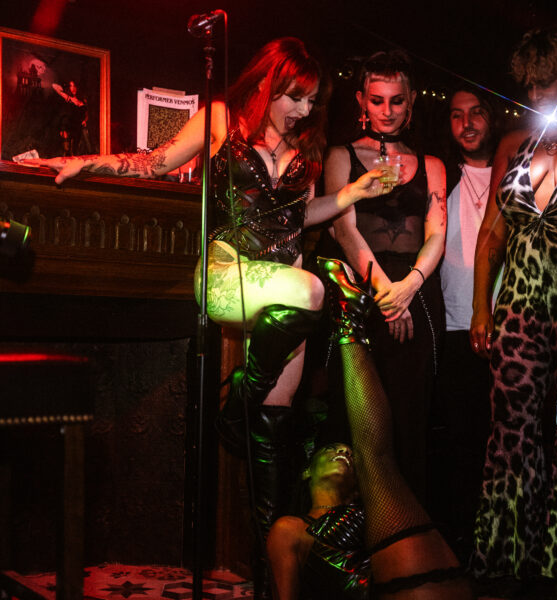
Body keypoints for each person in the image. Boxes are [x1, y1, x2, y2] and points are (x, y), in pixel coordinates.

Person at [22, 37, 386, 600]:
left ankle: (270, 576)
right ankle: (237, 395)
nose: (303, 110)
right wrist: (82, 160)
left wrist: (350, 194)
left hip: (283, 287)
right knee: (318, 287)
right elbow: (154, 162)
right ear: (267, 84)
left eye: (312, 100)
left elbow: (299, 216)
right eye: (294, 96)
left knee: (271, 431)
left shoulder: (307, 149)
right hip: (226, 272)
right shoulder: (221, 120)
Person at [469, 24, 557, 594]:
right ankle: (506, 558)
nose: (536, 93)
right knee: (511, 426)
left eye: (547, 82)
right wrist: (482, 308)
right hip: (520, 300)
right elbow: (490, 235)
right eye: (530, 83)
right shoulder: (514, 144)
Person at [267, 257, 472, 600]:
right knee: (376, 458)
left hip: (410, 578)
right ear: (306, 471)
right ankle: (348, 320)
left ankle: (348, 319)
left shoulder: (372, 518)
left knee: (377, 460)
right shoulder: (291, 528)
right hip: (404, 587)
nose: (341, 451)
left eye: (344, 450)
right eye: (332, 449)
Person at [324, 50, 446, 501]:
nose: (388, 110)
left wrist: (409, 287)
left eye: (397, 101)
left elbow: (437, 234)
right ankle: (352, 528)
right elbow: (343, 229)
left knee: (409, 416)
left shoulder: (432, 164)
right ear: (362, 100)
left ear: (411, 101)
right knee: (356, 416)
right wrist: (386, 295)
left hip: (417, 290)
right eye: (377, 100)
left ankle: (405, 529)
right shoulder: (340, 156)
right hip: (362, 290)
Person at [434, 85, 499, 560]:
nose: (467, 123)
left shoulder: (514, 172)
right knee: (462, 442)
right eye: (457, 115)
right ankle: (462, 544)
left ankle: (503, 546)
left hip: (511, 326)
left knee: (507, 442)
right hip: (456, 326)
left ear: (491, 117)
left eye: (476, 113)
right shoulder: (440, 175)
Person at [52, 80, 93, 155]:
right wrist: (63, 89)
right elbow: (54, 86)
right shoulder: (68, 98)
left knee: (81, 149)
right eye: (71, 86)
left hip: (80, 127)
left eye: (74, 86)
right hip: (70, 127)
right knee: (69, 151)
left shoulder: (83, 100)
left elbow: (87, 114)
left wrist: (85, 120)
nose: (73, 88)